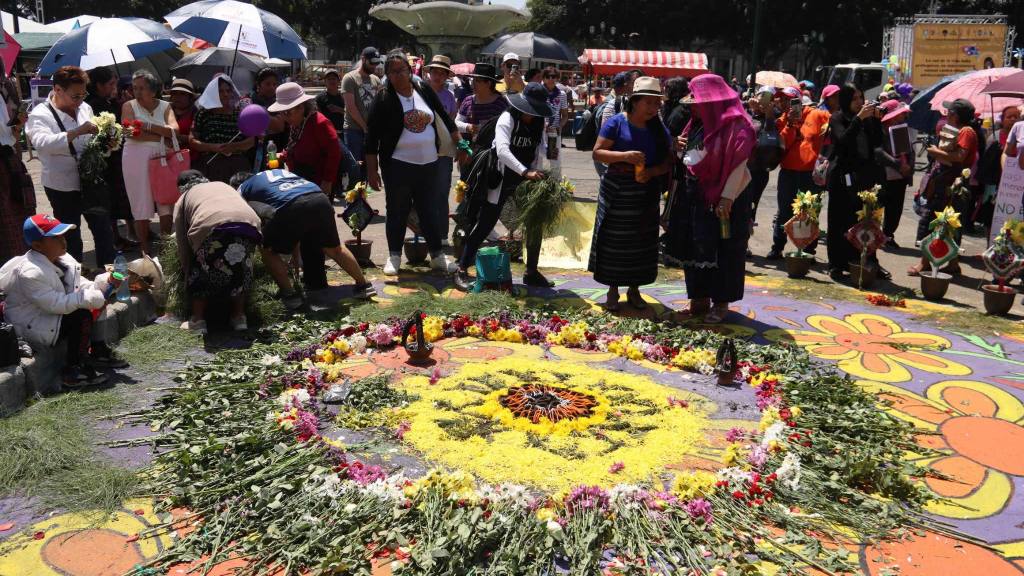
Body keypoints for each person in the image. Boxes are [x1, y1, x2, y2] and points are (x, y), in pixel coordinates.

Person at [366, 51, 468, 277]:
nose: (398, 75)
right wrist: (372, 171)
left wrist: (460, 143)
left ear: (409, 70)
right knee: (397, 211)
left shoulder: (423, 90)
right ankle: (394, 256)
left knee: (429, 210)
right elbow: (371, 139)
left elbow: (444, 116)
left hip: (429, 164)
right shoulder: (383, 98)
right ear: (387, 74)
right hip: (398, 165)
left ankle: (438, 257)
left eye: (401, 70)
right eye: (392, 72)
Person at [0, 214, 127, 387]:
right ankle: (73, 369)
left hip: (49, 314)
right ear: (37, 245)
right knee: (80, 315)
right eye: (56, 237)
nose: (63, 241)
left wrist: (106, 282)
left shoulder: (64, 259)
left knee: (96, 297)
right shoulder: (31, 272)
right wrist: (90, 298)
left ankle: (98, 350)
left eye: (62, 235)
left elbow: (79, 286)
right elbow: (55, 304)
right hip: (31, 323)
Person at [667, 74, 755, 323]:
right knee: (695, 246)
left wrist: (726, 199)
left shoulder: (738, 126)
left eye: (696, 100)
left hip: (726, 198)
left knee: (724, 249)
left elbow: (739, 166)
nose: (691, 106)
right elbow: (691, 157)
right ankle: (699, 297)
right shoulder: (696, 123)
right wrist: (678, 147)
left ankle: (721, 302)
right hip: (695, 195)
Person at [455, 82, 556, 292]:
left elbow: (538, 151)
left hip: (525, 179)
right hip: (499, 177)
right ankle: (462, 268)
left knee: (534, 222)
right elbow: (501, 150)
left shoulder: (538, 123)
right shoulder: (507, 118)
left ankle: (531, 271)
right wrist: (524, 171)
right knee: (485, 223)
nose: (532, 115)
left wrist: (536, 176)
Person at [590, 77, 674, 311]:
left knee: (642, 241)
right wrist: (624, 156)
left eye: (656, 104)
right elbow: (598, 153)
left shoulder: (659, 129)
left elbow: (668, 162)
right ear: (634, 102)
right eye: (648, 103)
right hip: (617, 189)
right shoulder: (616, 123)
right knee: (613, 240)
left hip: (645, 191)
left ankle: (635, 290)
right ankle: (612, 291)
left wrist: (653, 171)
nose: (653, 108)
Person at [234, 169, 375, 306]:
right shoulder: (273, 173)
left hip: (289, 205)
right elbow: (295, 233)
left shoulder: (241, 189)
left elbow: (248, 222)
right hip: (319, 198)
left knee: (268, 250)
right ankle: (364, 285)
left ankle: (290, 295)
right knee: (334, 249)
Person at [26, 65, 115, 269]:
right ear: (58, 90)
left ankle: (109, 275)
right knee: (70, 235)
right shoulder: (40, 114)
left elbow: (92, 140)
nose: (81, 100)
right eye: (75, 96)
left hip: (90, 180)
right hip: (62, 184)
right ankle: (74, 278)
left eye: (84, 94)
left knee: (103, 228)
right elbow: (43, 143)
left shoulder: (85, 108)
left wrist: (105, 143)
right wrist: (76, 131)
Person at [269, 82, 341, 289]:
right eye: (282, 113)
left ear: (301, 107)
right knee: (305, 234)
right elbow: (295, 148)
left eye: (287, 112)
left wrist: (327, 181)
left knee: (315, 237)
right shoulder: (297, 124)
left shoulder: (319, 123)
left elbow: (333, 152)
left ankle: (317, 283)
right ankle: (310, 280)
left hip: (318, 181)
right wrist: (282, 156)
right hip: (300, 179)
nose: (284, 117)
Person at [173, 171, 262, 334]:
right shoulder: (222, 185)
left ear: (181, 188)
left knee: (200, 269)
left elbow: (182, 241)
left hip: (211, 226)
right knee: (242, 268)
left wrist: (186, 269)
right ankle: (239, 317)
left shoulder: (183, 198)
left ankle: (198, 320)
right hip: (249, 224)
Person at [909, 99, 980, 276]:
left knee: (935, 222)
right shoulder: (958, 130)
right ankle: (953, 264)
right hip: (945, 183)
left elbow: (960, 156)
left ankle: (924, 263)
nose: (946, 114)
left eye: (949, 112)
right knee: (945, 224)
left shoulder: (967, 131)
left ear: (955, 115)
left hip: (952, 186)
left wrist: (935, 152)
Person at [826, 84, 883, 281]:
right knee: (839, 220)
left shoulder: (866, 120)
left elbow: (877, 143)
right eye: (855, 99)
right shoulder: (837, 118)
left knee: (864, 220)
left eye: (861, 97)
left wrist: (876, 120)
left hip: (863, 177)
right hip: (842, 177)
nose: (860, 102)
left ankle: (866, 261)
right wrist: (859, 119)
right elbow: (842, 141)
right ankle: (837, 264)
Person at [765, 86, 830, 259]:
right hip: (788, 173)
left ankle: (808, 251)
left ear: (798, 100)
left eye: (789, 99)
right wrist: (790, 125)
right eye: (782, 100)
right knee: (784, 212)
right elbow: (781, 145)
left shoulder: (816, 114)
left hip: (810, 174)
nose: (786, 103)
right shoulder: (782, 121)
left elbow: (835, 123)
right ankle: (777, 247)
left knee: (809, 213)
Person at [121, 70, 180, 255]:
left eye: (142, 88)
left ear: (153, 91)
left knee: (166, 199)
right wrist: (161, 131)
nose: (136, 92)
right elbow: (131, 133)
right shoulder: (128, 106)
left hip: (162, 156)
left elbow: (175, 131)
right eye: (134, 88)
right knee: (140, 202)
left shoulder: (165, 106)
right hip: (135, 158)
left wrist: (146, 125)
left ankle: (164, 248)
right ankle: (144, 249)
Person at [85, 67, 135, 252]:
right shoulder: (95, 105)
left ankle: (118, 236)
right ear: (99, 85)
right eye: (111, 84)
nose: (114, 88)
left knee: (116, 199)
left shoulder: (109, 101)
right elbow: (110, 130)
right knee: (109, 201)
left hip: (114, 157)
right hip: (105, 159)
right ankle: (115, 238)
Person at [190, 74, 254, 184]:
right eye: (220, 91)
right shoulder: (203, 114)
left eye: (228, 91)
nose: (225, 94)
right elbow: (192, 141)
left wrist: (233, 147)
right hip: (210, 167)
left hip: (238, 168)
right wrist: (213, 147)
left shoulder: (239, 114)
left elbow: (251, 141)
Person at [0, 61, 34, 267]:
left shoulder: (7, 88)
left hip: (8, 157)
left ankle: (20, 267)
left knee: (17, 213)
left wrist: (18, 125)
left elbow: (13, 129)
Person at [424, 55, 459, 244]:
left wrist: (457, 145)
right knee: (423, 190)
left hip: (444, 150)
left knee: (442, 191)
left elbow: (452, 123)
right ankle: (424, 232)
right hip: (422, 147)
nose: (437, 76)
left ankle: (443, 234)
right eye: (434, 71)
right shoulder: (420, 92)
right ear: (428, 73)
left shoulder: (449, 97)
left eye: (441, 73)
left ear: (446, 76)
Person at [874, 99, 914, 248]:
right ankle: (874, 234)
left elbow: (910, 152)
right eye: (901, 114)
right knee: (877, 206)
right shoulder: (879, 130)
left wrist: (908, 166)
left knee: (895, 208)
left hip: (900, 177)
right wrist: (897, 164)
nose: (904, 117)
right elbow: (878, 152)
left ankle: (888, 235)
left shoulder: (903, 130)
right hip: (883, 175)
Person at [977, 105, 1021, 232]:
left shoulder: (1021, 138)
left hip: (1015, 186)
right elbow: (985, 164)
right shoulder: (994, 137)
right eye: (1009, 117)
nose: (1013, 119)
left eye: (1016, 117)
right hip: (994, 185)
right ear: (1002, 120)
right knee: (991, 217)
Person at [342, 47, 383, 183]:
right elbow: (351, 107)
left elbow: (380, 105)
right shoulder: (350, 78)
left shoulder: (376, 80)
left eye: (377, 63)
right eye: (372, 63)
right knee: (355, 168)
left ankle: (362, 200)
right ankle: (353, 201)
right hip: (354, 130)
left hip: (371, 131)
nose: (375, 66)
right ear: (363, 59)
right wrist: (365, 127)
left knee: (367, 169)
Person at [456, 63, 508, 145]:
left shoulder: (500, 103)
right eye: (472, 80)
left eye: (477, 80)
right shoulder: (467, 101)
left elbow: (507, 127)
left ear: (488, 83)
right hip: (471, 151)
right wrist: (468, 127)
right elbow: (456, 123)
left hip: (493, 150)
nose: (472, 83)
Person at [243, 67, 288, 152]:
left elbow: (279, 127)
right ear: (258, 84)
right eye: (268, 84)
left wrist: (257, 114)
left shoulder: (279, 102)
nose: (272, 87)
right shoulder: (247, 101)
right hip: (252, 150)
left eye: (275, 84)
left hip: (275, 149)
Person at [542, 66, 569, 173]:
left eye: (553, 76)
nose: (551, 79)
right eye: (548, 76)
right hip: (540, 130)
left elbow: (565, 115)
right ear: (543, 78)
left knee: (554, 159)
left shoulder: (561, 94)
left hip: (554, 132)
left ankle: (554, 184)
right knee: (539, 159)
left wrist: (559, 126)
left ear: (557, 78)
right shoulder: (538, 92)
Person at [168, 78, 197, 150]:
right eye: (175, 93)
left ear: (190, 97)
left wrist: (170, 135)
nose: (178, 97)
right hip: (166, 156)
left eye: (182, 93)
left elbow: (196, 138)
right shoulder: (166, 109)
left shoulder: (196, 113)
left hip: (190, 158)